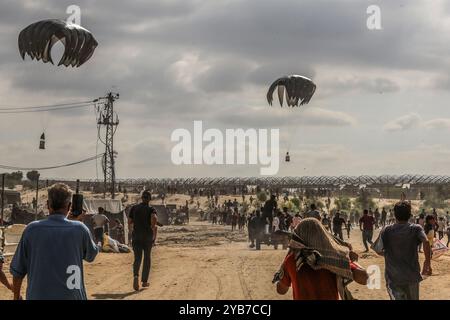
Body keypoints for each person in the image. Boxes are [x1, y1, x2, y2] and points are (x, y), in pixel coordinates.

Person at [10, 183, 98, 300]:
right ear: (69, 206)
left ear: (47, 205)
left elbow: (18, 272)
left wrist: (16, 297)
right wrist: (78, 222)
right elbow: (90, 256)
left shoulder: (32, 230)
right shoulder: (80, 229)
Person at [273, 218, 368, 300]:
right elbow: (364, 278)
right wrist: (352, 260)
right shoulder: (333, 257)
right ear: (322, 236)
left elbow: (281, 290)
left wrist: (281, 273)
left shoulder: (292, 260)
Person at [375, 200, 431, 300]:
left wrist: (389, 253)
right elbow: (426, 242)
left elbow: (378, 250)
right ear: (410, 215)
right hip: (412, 276)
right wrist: (427, 262)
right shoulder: (416, 228)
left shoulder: (387, 230)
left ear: (394, 215)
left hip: (393, 278)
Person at [128, 191, 158, 291]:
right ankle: (144, 281)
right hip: (147, 237)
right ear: (149, 199)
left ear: (142, 198)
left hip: (136, 236)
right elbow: (154, 218)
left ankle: (136, 276)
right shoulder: (151, 209)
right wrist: (152, 227)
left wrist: (131, 231)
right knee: (147, 258)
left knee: (137, 258)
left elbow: (130, 221)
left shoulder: (134, 208)